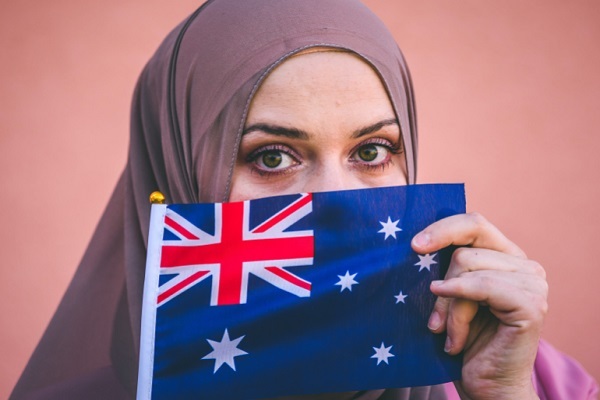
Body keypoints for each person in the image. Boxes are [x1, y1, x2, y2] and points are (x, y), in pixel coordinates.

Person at [11, 0, 598, 399]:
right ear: (177, 169)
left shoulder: (538, 383)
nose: (334, 200)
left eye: (372, 151)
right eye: (272, 157)